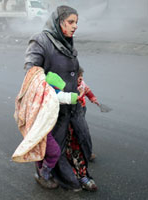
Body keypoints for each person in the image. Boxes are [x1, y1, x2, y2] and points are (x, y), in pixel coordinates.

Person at [24, 5, 97, 192]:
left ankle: (81, 175)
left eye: (76, 23)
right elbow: (32, 73)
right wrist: (55, 92)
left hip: (73, 106)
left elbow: (73, 70)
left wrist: (80, 82)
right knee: (53, 147)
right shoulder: (40, 41)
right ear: (59, 22)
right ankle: (44, 174)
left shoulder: (66, 41)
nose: (75, 26)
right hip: (53, 108)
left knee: (79, 142)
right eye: (71, 22)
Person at [77, 67, 100, 161]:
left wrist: (93, 98)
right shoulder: (69, 85)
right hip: (72, 110)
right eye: (78, 76)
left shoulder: (82, 84)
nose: (81, 78)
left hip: (81, 109)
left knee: (83, 130)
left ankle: (87, 152)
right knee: (76, 132)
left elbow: (87, 90)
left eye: (81, 75)